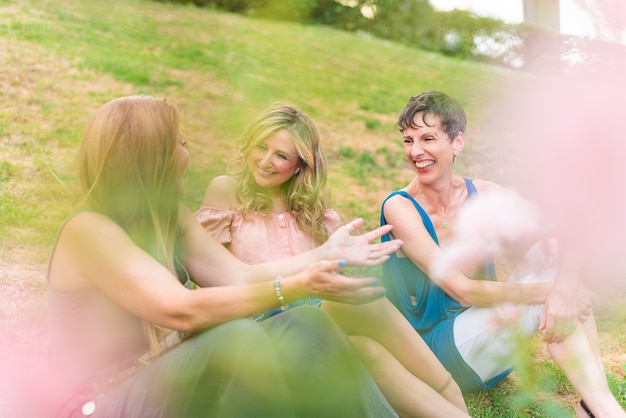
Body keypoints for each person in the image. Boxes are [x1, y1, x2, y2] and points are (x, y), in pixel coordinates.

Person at [43, 95, 411, 418]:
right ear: (151, 156)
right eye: (181, 144)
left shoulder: (169, 215)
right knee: (236, 339)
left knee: (305, 325)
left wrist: (325, 253)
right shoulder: (89, 230)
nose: (188, 154)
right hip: (97, 402)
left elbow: (238, 276)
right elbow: (179, 308)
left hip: (158, 377)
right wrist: (297, 285)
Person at [195, 101, 470, 418]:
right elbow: (213, 279)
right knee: (364, 325)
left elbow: (328, 268)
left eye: (281, 155)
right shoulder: (227, 190)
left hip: (313, 311)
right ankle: (450, 394)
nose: (265, 161)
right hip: (255, 319)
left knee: (367, 345)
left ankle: (454, 404)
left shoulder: (313, 201)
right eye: (261, 147)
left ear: (300, 164)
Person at [379, 90, 626, 418]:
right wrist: (557, 291)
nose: (416, 151)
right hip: (431, 355)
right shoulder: (399, 207)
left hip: (485, 341)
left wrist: (566, 286)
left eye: (428, 138)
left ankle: (591, 405)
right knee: (554, 294)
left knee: (552, 254)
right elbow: (460, 289)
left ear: (457, 143)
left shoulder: (482, 193)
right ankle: (608, 412)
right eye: (409, 141)